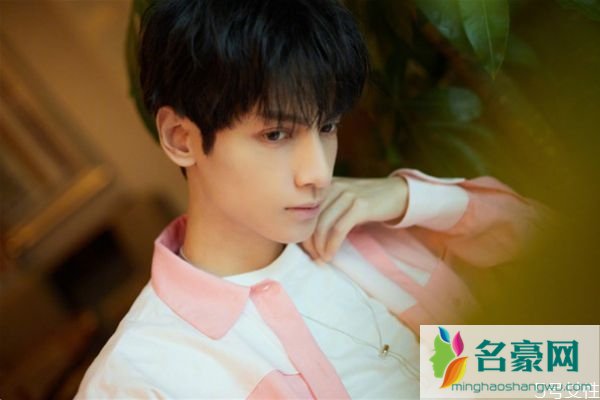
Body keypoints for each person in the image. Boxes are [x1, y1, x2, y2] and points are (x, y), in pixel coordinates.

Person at [76, 0, 542, 398]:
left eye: (328, 126)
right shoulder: (140, 376)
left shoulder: (367, 235)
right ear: (182, 138)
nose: (318, 173)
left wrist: (410, 197)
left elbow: (557, 348)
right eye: (276, 134)